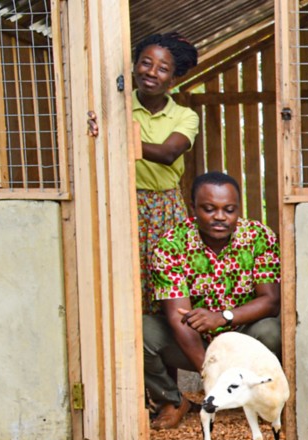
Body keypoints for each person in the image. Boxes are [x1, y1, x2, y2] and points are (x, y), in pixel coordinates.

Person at [145, 172, 282, 430]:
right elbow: (178, 319)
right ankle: (172, 401)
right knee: (141, 333)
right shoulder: (171, 245)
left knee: (273, 331)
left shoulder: (259, 237)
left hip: (244, 336)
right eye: (209, 209)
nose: (220, 217)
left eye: (229, 210)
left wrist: (222, 316)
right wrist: (213, 377)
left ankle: (262, 399)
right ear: (193, 208)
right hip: (194, 341)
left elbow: (270, 301)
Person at [132, 32, 199, 315]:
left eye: (162, 69)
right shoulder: (116, 107)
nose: (151, 72)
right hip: (127, 203)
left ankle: (170, 355)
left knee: (169, 282)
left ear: (173, 80)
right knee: (130, 278)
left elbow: (168, 154)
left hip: (165, 207)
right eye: (146, 63)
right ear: (134, 66)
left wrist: (119, 136)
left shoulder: (185, 116)